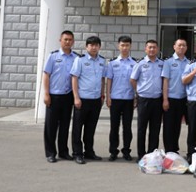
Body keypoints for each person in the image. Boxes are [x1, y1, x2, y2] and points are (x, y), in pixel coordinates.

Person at [42, 30, 80, 163]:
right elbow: (46, 75)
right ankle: (50, 153)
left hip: (68, 95)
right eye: (65, 39)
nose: (68, 42)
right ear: (60, 40)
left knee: (65, 125)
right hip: (54, 95)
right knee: (51, 126)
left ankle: (63, 152)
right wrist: (46, 94)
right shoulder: (53, 56)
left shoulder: (76, 58)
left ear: (73, 41)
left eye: (70, 40)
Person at [70, 35, 106, 164]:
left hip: (96, 100)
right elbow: (74, 78)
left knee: (91, 128)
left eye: (96, 45)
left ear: (99, 47)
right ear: (86, 47)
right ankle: (77, 153)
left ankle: (89, 151)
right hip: (82, 99)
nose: (94, 47)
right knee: (77, 128)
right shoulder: (80, 60)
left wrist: (102, 95)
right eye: (91, 45)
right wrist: (76, 97)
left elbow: (102, 79)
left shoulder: (102, 61)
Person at [130, 40, 164, 160]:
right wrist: (139, 91)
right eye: (149, 47)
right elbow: (133, 79)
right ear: (145, 49)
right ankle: (141, 154)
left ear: (157, 49)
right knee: (142, 128)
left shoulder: (162, 64)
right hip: (143, 99)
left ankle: (152, 154)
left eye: (154, 47)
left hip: (157, 100)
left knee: (155, 128)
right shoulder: (140, 64)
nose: (152, 50)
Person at [104, 35, 137, 162]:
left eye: (127, 45)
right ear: (118, 46)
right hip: (115, 98)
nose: (124, 48)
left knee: (127, 127)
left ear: (130, 46)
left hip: (129, 99)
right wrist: (108, 96)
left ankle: (126, 151)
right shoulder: (113, 63)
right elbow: (109, 80)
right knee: (114, 127)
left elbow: (136, 81)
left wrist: (136, 97)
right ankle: (113, 151)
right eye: (122, 45)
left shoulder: (134, 63)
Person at [161, 38, 189, 154]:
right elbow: (165, 81)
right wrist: (165, 99)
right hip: (171, 98)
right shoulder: (168, 62)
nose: (181, 47)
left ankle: (175, 149)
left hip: (183, 99)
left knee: (177, 125)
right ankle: (168, 150)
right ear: (174, 47)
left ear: (186, 48)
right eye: (179, 45)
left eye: (183, 45)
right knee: (168, 126)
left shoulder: (189, 63)